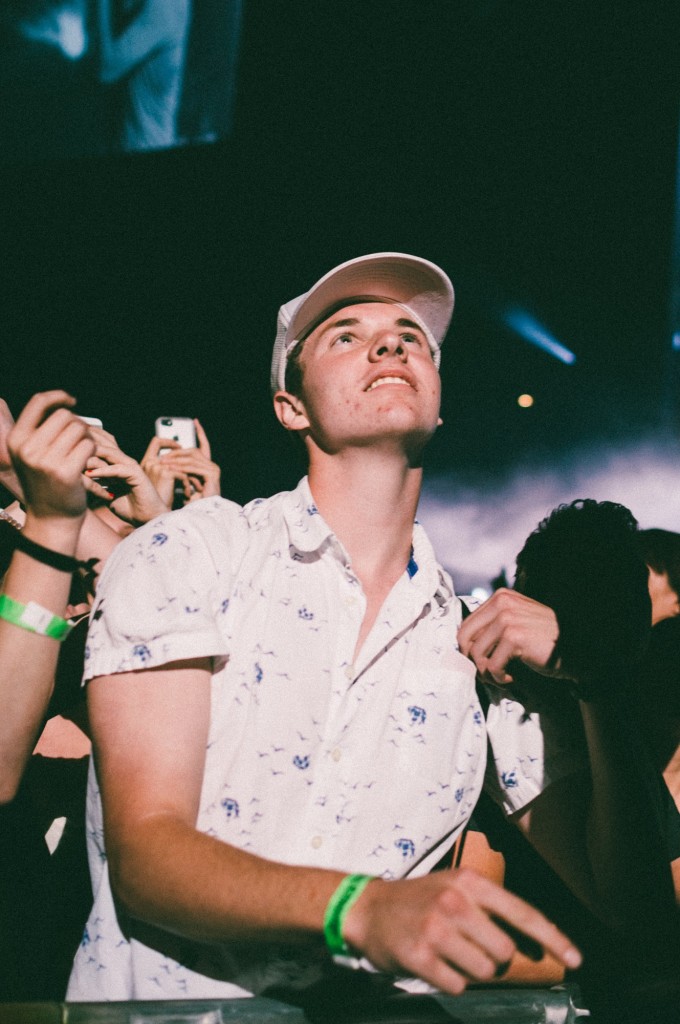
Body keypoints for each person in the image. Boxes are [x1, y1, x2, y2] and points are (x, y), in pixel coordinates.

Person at [67, 253, 672, 1003]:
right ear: (292, 407)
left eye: (411, 337)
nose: (390, 346)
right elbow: (148, 855)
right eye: (346, 336)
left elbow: (641, 914)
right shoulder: (193, 554)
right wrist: (362, 907)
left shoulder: (473, 647)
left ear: (440, 399)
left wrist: (596, 679)